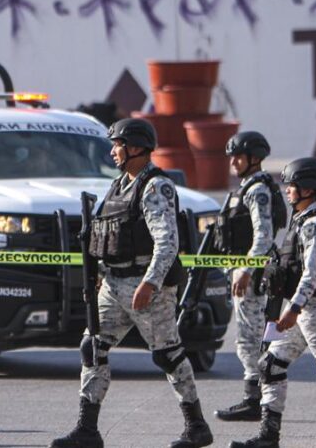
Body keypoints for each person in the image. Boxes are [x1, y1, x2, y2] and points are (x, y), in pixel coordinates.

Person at [51, 117, 213, 448]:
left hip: (146, 286)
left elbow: (167, 242)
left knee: (168, 355)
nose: (112, 151)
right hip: (114, 284)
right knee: (92, 348)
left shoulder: (155, 187)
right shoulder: (119, 185)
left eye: (118, 145)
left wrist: (151, 283)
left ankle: (196, 426)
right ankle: (87, 429)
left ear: (136, 148)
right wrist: (99, 273)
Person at [232, 157, 316, 448]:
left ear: (309, 188)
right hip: (300, 309)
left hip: (315, 310)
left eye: (292, 184)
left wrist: (293, 309)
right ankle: (269, 436)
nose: (287, 189)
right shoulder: (303, 218)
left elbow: (312, 273)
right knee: (270, 365)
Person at [213, 131, 286, 422]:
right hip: (246, 272)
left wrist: (245, 269)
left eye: (238, 156)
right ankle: (257, 399)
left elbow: (263, 236)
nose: (233, 161)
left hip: (253, 277)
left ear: (254, 159)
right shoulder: (246, 188)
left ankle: (255, 401)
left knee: (251, 339)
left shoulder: (256, 190)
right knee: (251, 338)